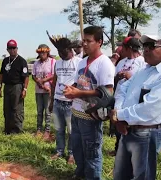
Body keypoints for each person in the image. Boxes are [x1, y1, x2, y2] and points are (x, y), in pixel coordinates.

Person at [110, 35, 161, 180]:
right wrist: (118, 113)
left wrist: (119, 115)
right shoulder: (144, 69)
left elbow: (150, 109)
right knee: (120, 175)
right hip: (128, 129)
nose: (146, 50)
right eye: (145, 46)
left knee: (141, 176)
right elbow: (123, 88)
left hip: (147, 132)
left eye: (151, 46)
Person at [63, 26, 115, 180]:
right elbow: (80, 82)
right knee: (78, 151)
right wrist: (72, 89)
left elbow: (107, 92)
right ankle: (80, 175)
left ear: (99, 42)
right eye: (83, 40)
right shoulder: (83, 61)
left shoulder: (104, 63)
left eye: (89, 41)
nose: (84, 44)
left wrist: (79, 93)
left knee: (92, 154)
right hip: (76, 113)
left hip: (91, 117)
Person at [47, 32, 81, 164]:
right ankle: (59, 151)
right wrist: (51, 100)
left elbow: (80, 81)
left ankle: (72, 154)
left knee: (71, 131)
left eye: (62, 51)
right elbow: (54, 82)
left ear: (69, 49)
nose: (60, 54)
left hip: (71, 103)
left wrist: (72, 88)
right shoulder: (58, 63)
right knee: (59, 129)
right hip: (57, 101)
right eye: (58, 51)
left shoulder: (79, 62)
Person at [109, 36, 147, 156]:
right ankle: (118, 149)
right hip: (119, 98)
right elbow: (113, 80)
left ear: (129, 48)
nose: (120, 49)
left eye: (122, 47)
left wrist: (129, 77)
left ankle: (130, 151)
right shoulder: (121, 62)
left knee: (130, 126)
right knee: (118, 124)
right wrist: (118, 77)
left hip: (133, 101)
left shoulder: (143, 63)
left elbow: (144, 84)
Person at [0, 39, 29, 135]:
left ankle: (17, 129)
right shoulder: (5, 60)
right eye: (10, 48)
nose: (12, 50)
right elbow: (1, 74)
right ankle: (8, 128)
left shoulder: (21, 61)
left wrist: (24, 89)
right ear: (7, 50)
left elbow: (26, 77)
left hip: (17, 86)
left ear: (17, 48)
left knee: (17, 108)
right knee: (7, 108)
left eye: (14, 48)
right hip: (7, 86)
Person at [32, 44, 56, 140]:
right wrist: (38, 81)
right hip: (38, 90)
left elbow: (55, 75)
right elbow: (33, 75)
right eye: (40, 52)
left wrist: (44, 80)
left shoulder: (53, 62)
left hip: (48, 90)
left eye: (44, 52)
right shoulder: (36, 63)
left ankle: (47, 130)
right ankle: (38, 129)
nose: (42, 54)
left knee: (47, 111)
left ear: (47, 52)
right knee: (39, 111)